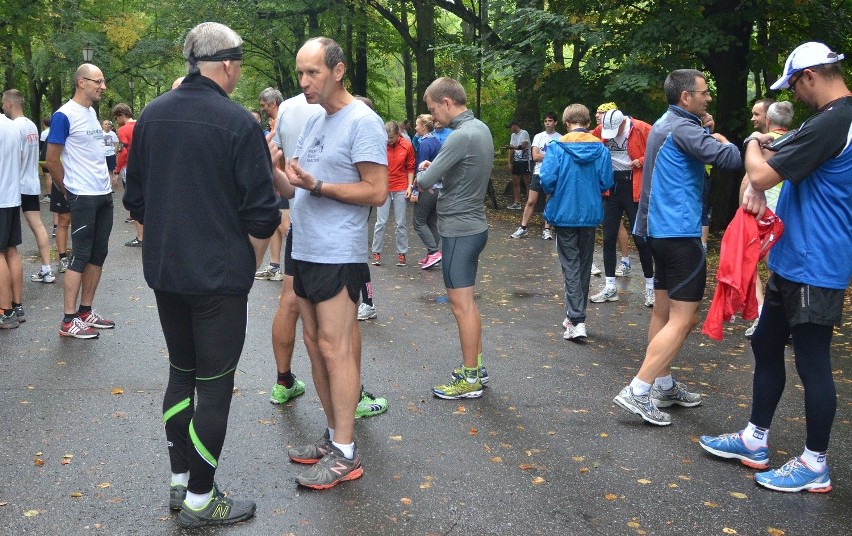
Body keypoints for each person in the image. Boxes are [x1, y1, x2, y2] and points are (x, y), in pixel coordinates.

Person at [125, 22, 282, 527]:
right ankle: (199, 497)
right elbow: (264, 213)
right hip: (217, 279)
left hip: (167, 272)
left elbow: (136, 199)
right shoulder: (239, 124)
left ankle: (180, 483)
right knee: (214, 385)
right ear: (229, 65)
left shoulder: (151, 115)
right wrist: (247, 264)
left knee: (181, 374)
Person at [700, 42, 851, 493]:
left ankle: (814, 463)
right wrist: (776, 143)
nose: (795, 95)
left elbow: (762, 176)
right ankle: (755, 439)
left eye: (794, 85)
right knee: (766, 343)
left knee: (813, 361)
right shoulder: (832, 122)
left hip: (816, 262)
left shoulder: (833, 120)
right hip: (795, 258)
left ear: (809, 76)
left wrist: (751, 141)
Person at [282, 36, 388, 490]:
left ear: (338, 70)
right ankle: (331, 436)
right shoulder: (315, 120)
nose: (304, 82)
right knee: (312, 343)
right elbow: (297, 187)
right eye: (301, 74)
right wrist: (273, 168)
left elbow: (377, 191)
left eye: (313, 73)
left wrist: (319, 185)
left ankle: (346, 453)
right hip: (303, 247)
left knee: (334, 347)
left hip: (337, 253)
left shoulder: (362, 121)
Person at [613, 69, 741, 425]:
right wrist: (724, 139)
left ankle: (663, 385)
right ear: (686, 97)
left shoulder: (666, 123)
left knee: (663, 313)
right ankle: (638, 389)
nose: (709, 97)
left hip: (655, 231)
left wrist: (707, 133)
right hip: (680, 234)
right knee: (685, 319)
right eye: (704, 92)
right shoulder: (684, 128)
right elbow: (729, 160)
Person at [417, 77, 493, 399]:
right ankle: (476, 366)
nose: (433, 117)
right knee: (468, 305)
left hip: (459, 230)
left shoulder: (459, 136)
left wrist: (426, 170)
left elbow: (425, 181)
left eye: (433, 110)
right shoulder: (481, 128)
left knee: (460, 306)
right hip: (475, 225)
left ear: (447, 102)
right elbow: (461, 172)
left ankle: (470, 378)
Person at [45, 63, 116, 339]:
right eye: (98, 81)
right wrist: (68, 190)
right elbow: (52, 159)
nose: (103, 86)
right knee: (81, 255)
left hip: (103, 195)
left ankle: (85, 311)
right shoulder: (64, 115)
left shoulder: (91, 113)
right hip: (82, 195)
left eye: (103, 80)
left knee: (99, 254)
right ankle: (68, 319)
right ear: (81, 82)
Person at [540, 104, 613, 341]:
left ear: (566, 122)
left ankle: (576, 319)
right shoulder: (600, 149)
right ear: (588, 122)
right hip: (590, 212)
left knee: (570, 264)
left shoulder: (557, 148)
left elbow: (547, 181)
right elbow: (606, 182)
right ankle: (575, 316)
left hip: (564, 212)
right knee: (583, 264)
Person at [589, 108, 656, 307]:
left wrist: (642, 160)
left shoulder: (643, 128)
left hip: (635, 187)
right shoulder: (602, 128)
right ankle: (610, 287)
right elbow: (590, 143)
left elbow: (661, 150)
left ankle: (650, 287)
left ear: (623, 124)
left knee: (641, 238)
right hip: (611, 188)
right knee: (608, 237)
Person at [739, 101, 793, 338]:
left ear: (769, 120)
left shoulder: (760, 143)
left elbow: (750, 179)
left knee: (751, 262)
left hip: (763, 211)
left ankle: (764, 316)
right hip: (789, 211)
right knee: (780, 266)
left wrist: (742, 208)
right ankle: (786, 320)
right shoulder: (798, 139)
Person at [3, 89, 54, 286]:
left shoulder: (14, 127)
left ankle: (7, 275)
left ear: (9, 104)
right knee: (37, 225)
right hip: (31, 182)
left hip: (16, 184)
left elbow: (13, 157)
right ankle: (47, 269)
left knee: (7, 234)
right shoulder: (32, 124)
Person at [592, 102, 630, 276]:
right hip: (605, 181)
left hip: (626, 181)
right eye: (597, 112)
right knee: (608, 225)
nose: (597, 115)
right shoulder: (599, 131)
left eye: (601, 113)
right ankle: (593, 262)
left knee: (618, 225)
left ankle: (625, 260)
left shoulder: (632, 128)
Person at [510, 112, 561, 240]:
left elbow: (561, 158)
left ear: (555, 122)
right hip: (538, 172)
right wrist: (552, 156)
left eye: (550, 121)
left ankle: (547, 229)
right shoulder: (539, 136)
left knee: (549, 201)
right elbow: (535, 156)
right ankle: (523, 227)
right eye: (545, 121)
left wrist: (548, 157)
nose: (547, 123)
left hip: (553, 173)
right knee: (531, 200)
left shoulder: (560, 138)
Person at [254, 87, 287, 281]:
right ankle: (275, 266)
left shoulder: (284, 120)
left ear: (273, 103)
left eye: (264, 105)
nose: (263, 109)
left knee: (285, 225)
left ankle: (301, 266)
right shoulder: (275, 122)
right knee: (275, 222)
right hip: (275, 180)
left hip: (285, 179)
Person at [371, 121, 414, 267]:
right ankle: (376, 252)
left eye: (392, 138)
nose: (389, 140)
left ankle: (402, 253)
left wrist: (410, 186)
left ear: (398, 134)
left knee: (400, 222)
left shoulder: (407, 146)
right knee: (381, 222)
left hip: (401, 186)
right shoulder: (380, 145)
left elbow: (410, 167)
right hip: (384, 187)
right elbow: (374, 166)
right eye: (387, 138)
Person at [0, 109, 23, 328]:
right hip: (11, 196)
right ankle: (17, 305)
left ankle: (4, 311)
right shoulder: (12, 126)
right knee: (11, 251)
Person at [411, 113, 443, 268]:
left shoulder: (424, 143)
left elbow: (421, 169)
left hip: (428, 188)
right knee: (431, 222)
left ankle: (433, 252)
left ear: (423, 127)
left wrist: (416, 190)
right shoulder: (437, 141)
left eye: (417, 125)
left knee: (418, 221)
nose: (416, 127)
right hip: (439, 188)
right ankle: (434, 255)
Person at [113, 103, 141, 246]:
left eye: (116, 118)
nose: (116, 121)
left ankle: (140, 237)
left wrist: (117, 171)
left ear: (121, 115)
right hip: (143, 165)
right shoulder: (141, 124)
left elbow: (123, 151)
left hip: (130, 167)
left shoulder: (123, 130)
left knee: (134, 199)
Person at [505, 120, 531, 209]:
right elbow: (511, 149)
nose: (510, 129)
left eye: (511, 127)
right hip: (516, 161)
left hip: (525, 160)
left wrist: (511, 147)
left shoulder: (524, 133)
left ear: (515, 125)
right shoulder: (513, 135)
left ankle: (529, 202)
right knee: (515, 181)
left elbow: (523, 146)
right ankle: (517, 202)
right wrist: (509, 161)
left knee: (527, 181)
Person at [102, 119, 119, 186]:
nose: (107, 125)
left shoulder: (113, 134)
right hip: (102, 154)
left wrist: (115, 152)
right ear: (102, 126)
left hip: (111, 154)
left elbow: (116, 143)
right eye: (105, 124)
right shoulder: (100, 133)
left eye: (108, 124)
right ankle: (103, 185)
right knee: (102, 170)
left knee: (111, 170)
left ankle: (110, 186)